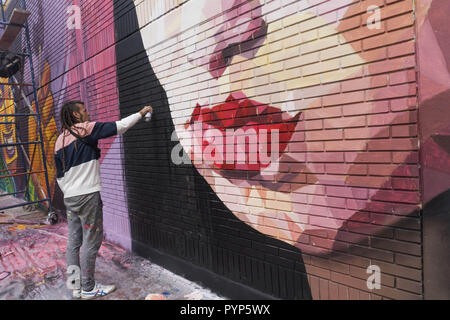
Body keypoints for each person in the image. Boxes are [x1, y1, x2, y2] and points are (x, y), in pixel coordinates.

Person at [54, 100, 153, 299]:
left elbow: (59, 176)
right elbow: (120, 126)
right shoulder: (86, 129)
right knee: (91, 241)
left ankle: (75, 285)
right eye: (83, 110)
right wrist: (142, 112)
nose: (87, 112)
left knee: (74, 241)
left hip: (71, 197)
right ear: (75, 115)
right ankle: (88, 288)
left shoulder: (59, 140)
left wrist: (70, 191)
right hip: (87, 196)